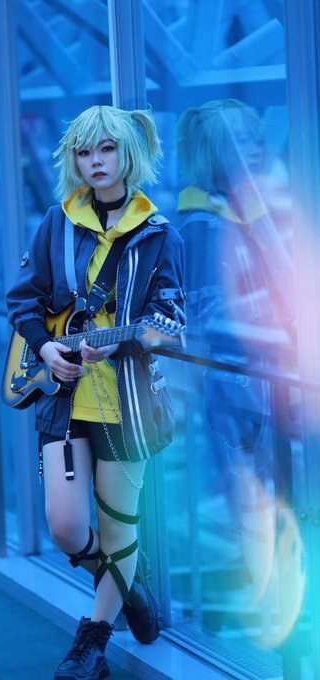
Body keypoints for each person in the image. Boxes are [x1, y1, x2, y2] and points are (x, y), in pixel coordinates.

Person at [6, 104, 185, 680]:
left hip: (127, 403)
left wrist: (126, 343)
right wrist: (46, 347)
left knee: (117, 526)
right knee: (65, 526)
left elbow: (171, 319)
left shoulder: (160, 234)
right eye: (84, 152)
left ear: (127, 153)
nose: (95, 162)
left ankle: (92, 644)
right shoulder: (56, 222)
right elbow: (23, 299)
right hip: (64, 402)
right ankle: (128, 580)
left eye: (106, 149)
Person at [176, 99, 296, 610]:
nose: (256, 148)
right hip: (242, 382)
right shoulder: (204, 226)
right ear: (214, 153)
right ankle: (273, 599)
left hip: (270, 376)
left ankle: (279, 592)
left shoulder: (251, 212)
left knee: (274, 489)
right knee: (256, 492)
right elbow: (210, 317)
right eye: (240, 140)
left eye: (256, 137)